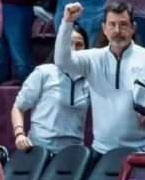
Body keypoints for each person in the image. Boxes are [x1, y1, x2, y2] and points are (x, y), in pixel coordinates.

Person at [56, 1, 145, 153]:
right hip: (102, 151)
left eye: (123, 24)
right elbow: (62, 61)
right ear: (104, 29)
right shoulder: (92, 59)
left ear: (133, 28)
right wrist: (67, 22)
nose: (117, 30)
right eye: (112, 25)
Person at [11, 23, 89, 152]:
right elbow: (18, 107)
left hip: (74, 153)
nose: (74, 50)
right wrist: (19, 134)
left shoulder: (89, 79)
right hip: (40, 150)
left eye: (79, 45)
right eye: (69, 44)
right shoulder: (44, 72)